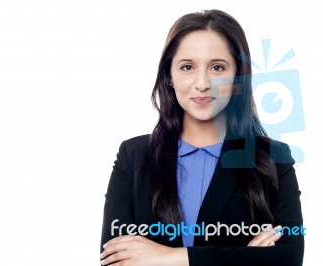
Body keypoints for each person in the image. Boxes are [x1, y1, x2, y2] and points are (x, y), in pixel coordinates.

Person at [100, 9, 304, 266]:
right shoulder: (133, 155)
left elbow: (288, 259)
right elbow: (114, 259)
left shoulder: (274, 159)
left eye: (217, 67)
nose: (202, 83)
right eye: (187, 67)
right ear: (170, 77)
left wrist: (169, 257)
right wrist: (247, 257)